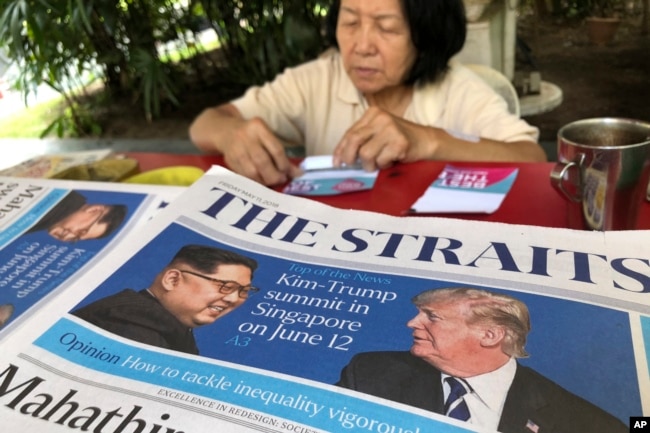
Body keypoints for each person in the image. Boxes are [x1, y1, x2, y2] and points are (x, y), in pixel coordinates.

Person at [189, 0, 546, 186]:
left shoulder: (460, 90)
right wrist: (230, 134)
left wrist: (429, 142)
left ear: (427, 38)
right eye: (350, 23)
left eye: (386, 28)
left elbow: (532, 158)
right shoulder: (316, 81)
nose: (361, 46)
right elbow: (205, 124)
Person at [336, 287, 627, 433]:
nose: (412, 323)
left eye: (431, 317)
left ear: (489, 335)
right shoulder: (371, 372)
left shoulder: (586, 422)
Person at [72, 244, 259, 355]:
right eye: (226, 286)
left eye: (244, 291)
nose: (233, 299)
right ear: (172, 280)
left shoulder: (164, 328)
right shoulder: (130, 330)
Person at [26, 190, 127, 242]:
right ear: (94, 209)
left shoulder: (42, 221)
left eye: (76, 238)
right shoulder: (55, 198)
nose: (68, 236)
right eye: (82, 231)